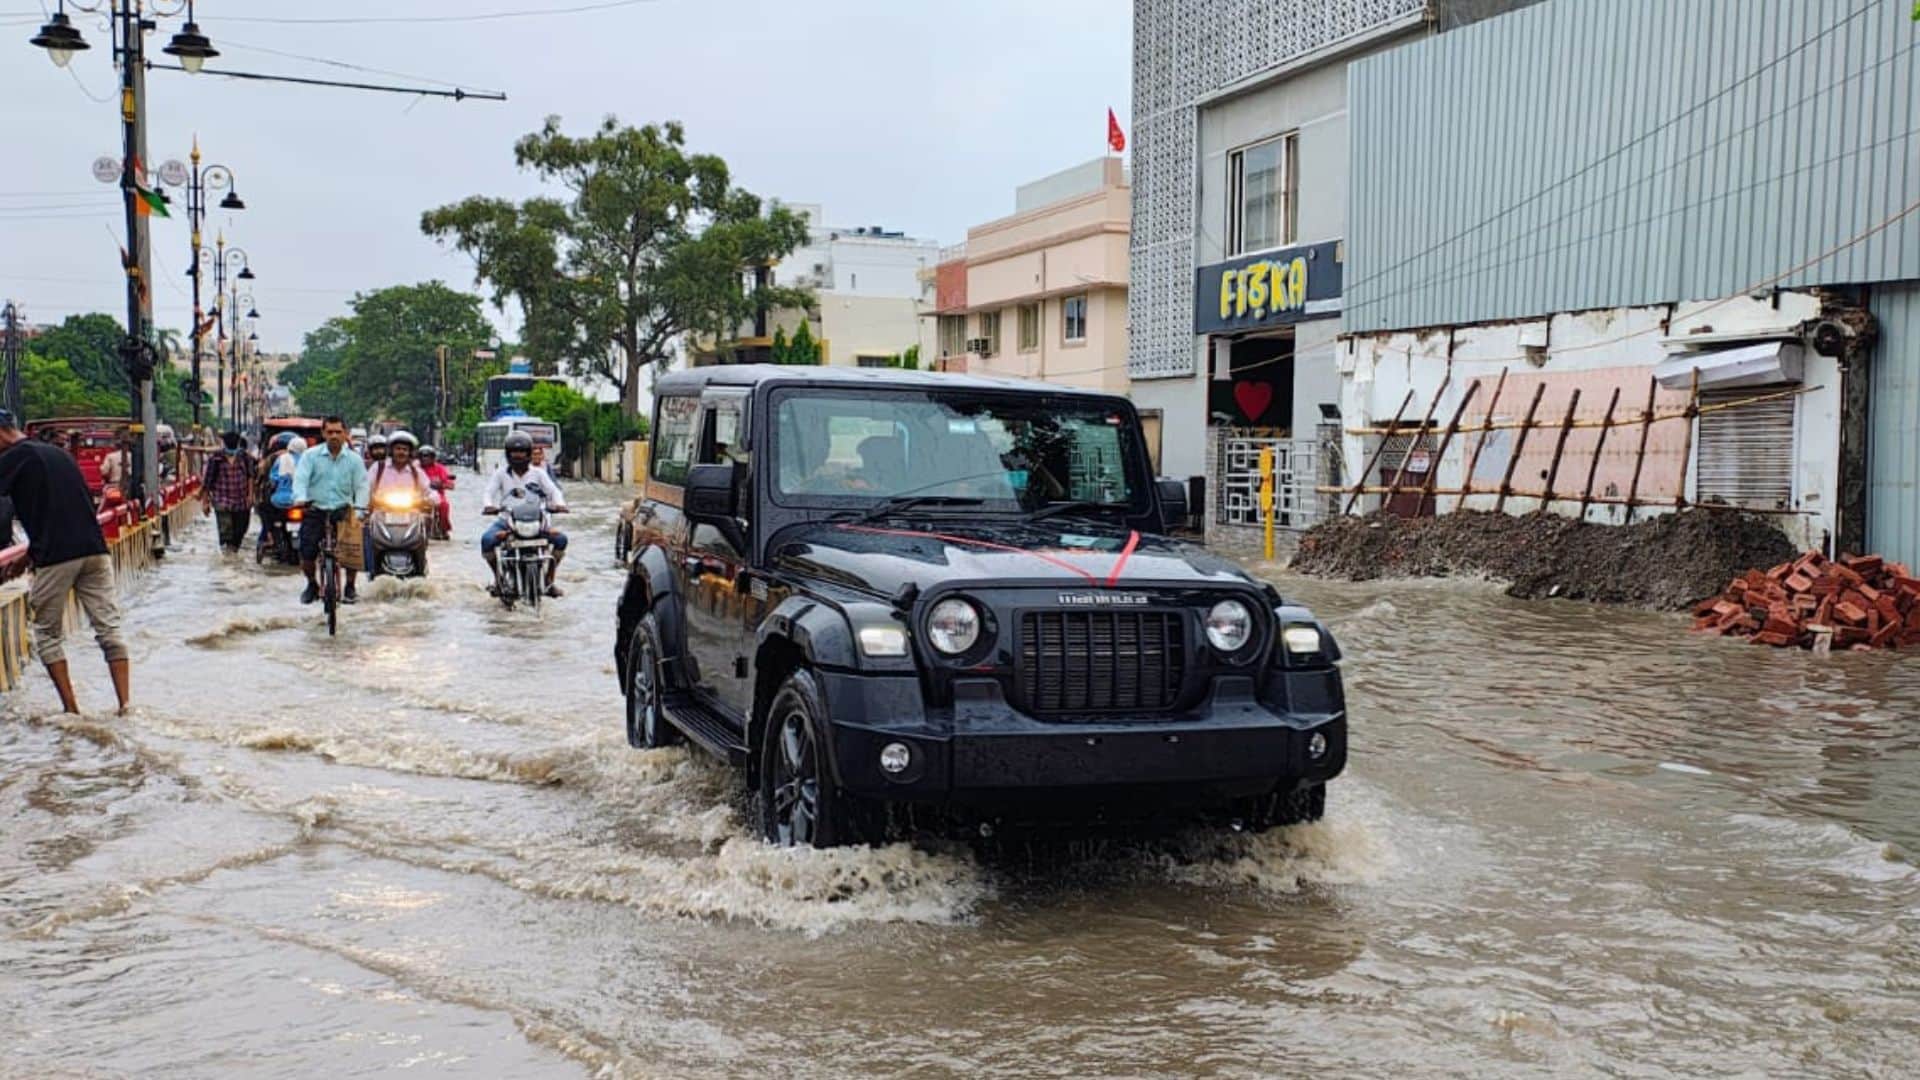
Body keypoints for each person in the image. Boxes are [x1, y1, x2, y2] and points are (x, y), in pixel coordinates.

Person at [0, 408, 130, 715]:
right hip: (95, 551)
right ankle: (126, 706)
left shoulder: (14, 459)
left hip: (57, 558)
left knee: (46, 636)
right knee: (109, 629)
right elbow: (61, 512)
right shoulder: (58, 456)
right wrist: (26, 558)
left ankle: (72, 712)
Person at [291, 416, 369, 605]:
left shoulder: (354, 460)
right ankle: (312, 584)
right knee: (306, 550)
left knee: (353, 549)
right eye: (330, 432)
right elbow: (300, 479)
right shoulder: (310, 456)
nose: (334, 436)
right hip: (316, 509)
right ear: (323, 433)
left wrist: (360, 510)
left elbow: (362, 486)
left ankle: (350, 586)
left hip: (344, 510)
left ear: (345, 434)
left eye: (338, 432)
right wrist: (300, 498)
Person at [481, 431, 568, 597]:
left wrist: (560, 505)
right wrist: (489, 506)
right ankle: (498, 580)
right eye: (514, 452)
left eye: (522, 452)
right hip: (507, 521)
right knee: (487, 541)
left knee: (561, 540)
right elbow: (488, 492)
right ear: (508, 454)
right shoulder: (500, 473)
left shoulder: (538, 473)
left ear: (528, 454)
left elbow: (553, 491)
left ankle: (549, 580)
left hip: (536, 522)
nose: (518, 456)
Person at [199, 430, 256, 553]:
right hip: (222, 501)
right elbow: (207, 482)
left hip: (241, 502)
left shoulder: (245, 457)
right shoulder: (216, 458)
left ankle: (234, 554)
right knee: (226, 532)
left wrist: (250, 495)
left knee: (240, 531)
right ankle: (228, 559)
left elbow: (250, 476)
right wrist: (205, 502)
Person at [417, 444, 454, 536]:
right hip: (417, 495)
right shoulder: (415, 468)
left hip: (436, 495)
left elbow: (449, 484)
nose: (425, 459)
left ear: (433, 457)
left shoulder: (439, 468)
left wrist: (441, 485)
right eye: (423, 456)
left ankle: (443, 529)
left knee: (444, 506)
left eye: (427, 456)